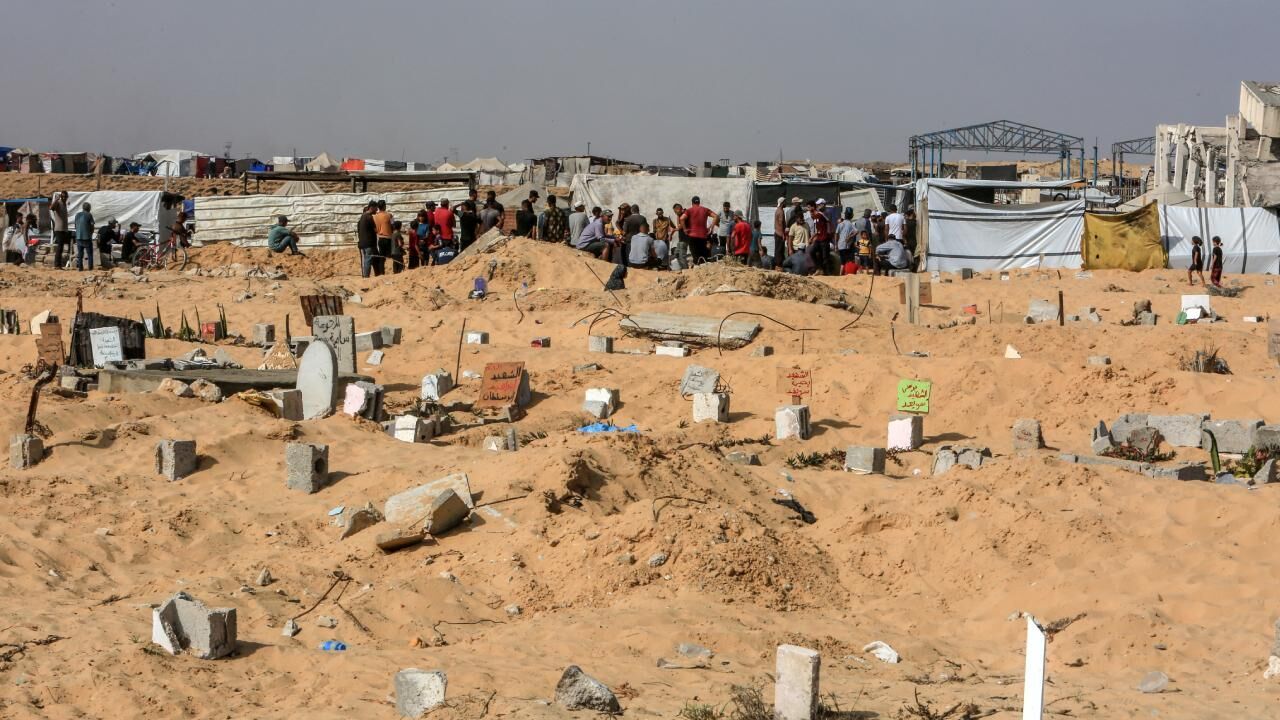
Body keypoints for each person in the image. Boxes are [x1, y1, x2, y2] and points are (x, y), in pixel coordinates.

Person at [681, 196, 717, 263]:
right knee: (703, 256)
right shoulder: (705, 209)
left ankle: (697, 266)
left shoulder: (689, 210)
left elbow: (682, 218)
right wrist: (711, 227)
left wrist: (685, 230)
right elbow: (715, 216)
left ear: (692, 203)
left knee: (695, 256)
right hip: (703, 236)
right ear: (699, 202)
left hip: (692, 236)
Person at [808, 205, 832, 274]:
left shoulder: (820, 214)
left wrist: (828, 233)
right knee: (812, 251)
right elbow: (817, 230)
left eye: (811, 212)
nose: (811, 214)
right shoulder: (815, 218)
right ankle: (819, 268)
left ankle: (828, 273)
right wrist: (812, 238)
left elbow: (828, 221)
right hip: (818, 239)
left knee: (825, 257)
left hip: (824, 238)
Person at [373, 199, 394, 275]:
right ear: (384, 206)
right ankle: (395, 272)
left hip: (380, 238)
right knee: (392, 255)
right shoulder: (389, 215)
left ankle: (382, 273)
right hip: (388, 238)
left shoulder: (375, 217)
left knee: (381, 257)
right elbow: (393, 225)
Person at [51, 191, 71, 269]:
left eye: (65, 197)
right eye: (62, 196)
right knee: (59, 247)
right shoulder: (59, 203)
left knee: (61, 247)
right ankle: (57, 265)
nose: (64, 198)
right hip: (59, 229)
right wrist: (56, 199)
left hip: (64, 229)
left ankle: (59, 264)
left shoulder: (65, 204)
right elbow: (51, 208)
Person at [357, 202, 377, 277]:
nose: (376, 210)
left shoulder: (362, 216)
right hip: (369, 243)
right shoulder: (369, 217)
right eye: (376, 208)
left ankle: (365, 275)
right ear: (372, 207)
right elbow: (376, 230)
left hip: (363, 243)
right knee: (368, 259)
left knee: (366, 259)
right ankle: (366, 277)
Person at [74, 202, 95, 271]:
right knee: (90, 254)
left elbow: (75, 226)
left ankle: (80, 268)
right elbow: (92, 226)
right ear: (89, 208)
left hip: (78, 237)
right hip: (87, 237)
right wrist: (91, 233)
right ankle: (90, 268)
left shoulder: (77, 215)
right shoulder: (89, 215)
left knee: (80, 254)